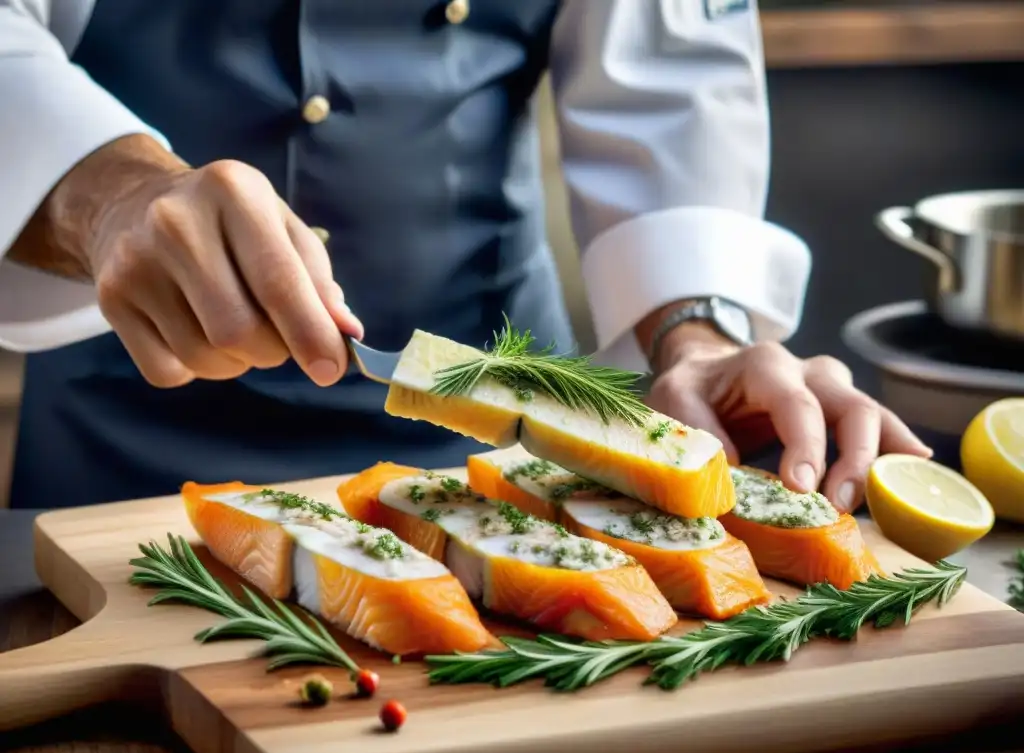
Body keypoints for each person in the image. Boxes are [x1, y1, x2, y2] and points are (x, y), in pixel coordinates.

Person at [0, 0, 930, 510]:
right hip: (114, 456)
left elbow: (670, 65)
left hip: (506, 461)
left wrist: (694, 336)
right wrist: (111, 195)